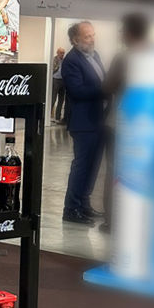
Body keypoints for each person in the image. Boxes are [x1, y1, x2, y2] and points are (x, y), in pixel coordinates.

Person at [100, 13, 150, 234]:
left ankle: (112, 221)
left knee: (114, 171)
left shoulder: (123, 57)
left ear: (129, 33)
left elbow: (106, 86)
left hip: (120, 121)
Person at [61, 21, 107, 225]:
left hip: (98, 120)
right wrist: (105, 89)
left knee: (94, 166)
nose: (92, 39)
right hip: (83, 122)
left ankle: (84, 203)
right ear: (75, 40)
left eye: (93, 35)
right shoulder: (71, 60)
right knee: (81, 166)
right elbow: (77, 91)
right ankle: (71, 208)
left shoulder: (94, 56)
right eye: (88, 36)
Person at [51, 48, 67, 124]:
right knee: (53, 98)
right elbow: (52, 69)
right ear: (57, 53)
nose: (62, 54)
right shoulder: (54, 60)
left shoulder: (64, 61)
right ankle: (49, 115)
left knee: (61, 99)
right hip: (56, 79)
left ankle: (58, 116)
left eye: (63, 53)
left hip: (63, 80)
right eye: (61, 53)